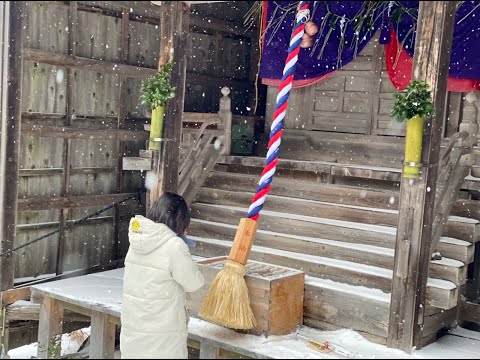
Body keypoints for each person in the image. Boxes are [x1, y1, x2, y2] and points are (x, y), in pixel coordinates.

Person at [120, 192, 205, 359]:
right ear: (180, 220)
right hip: (162, 338)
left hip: (134, 331)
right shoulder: (174, 246)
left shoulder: (137, 241)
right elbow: (194, 283)